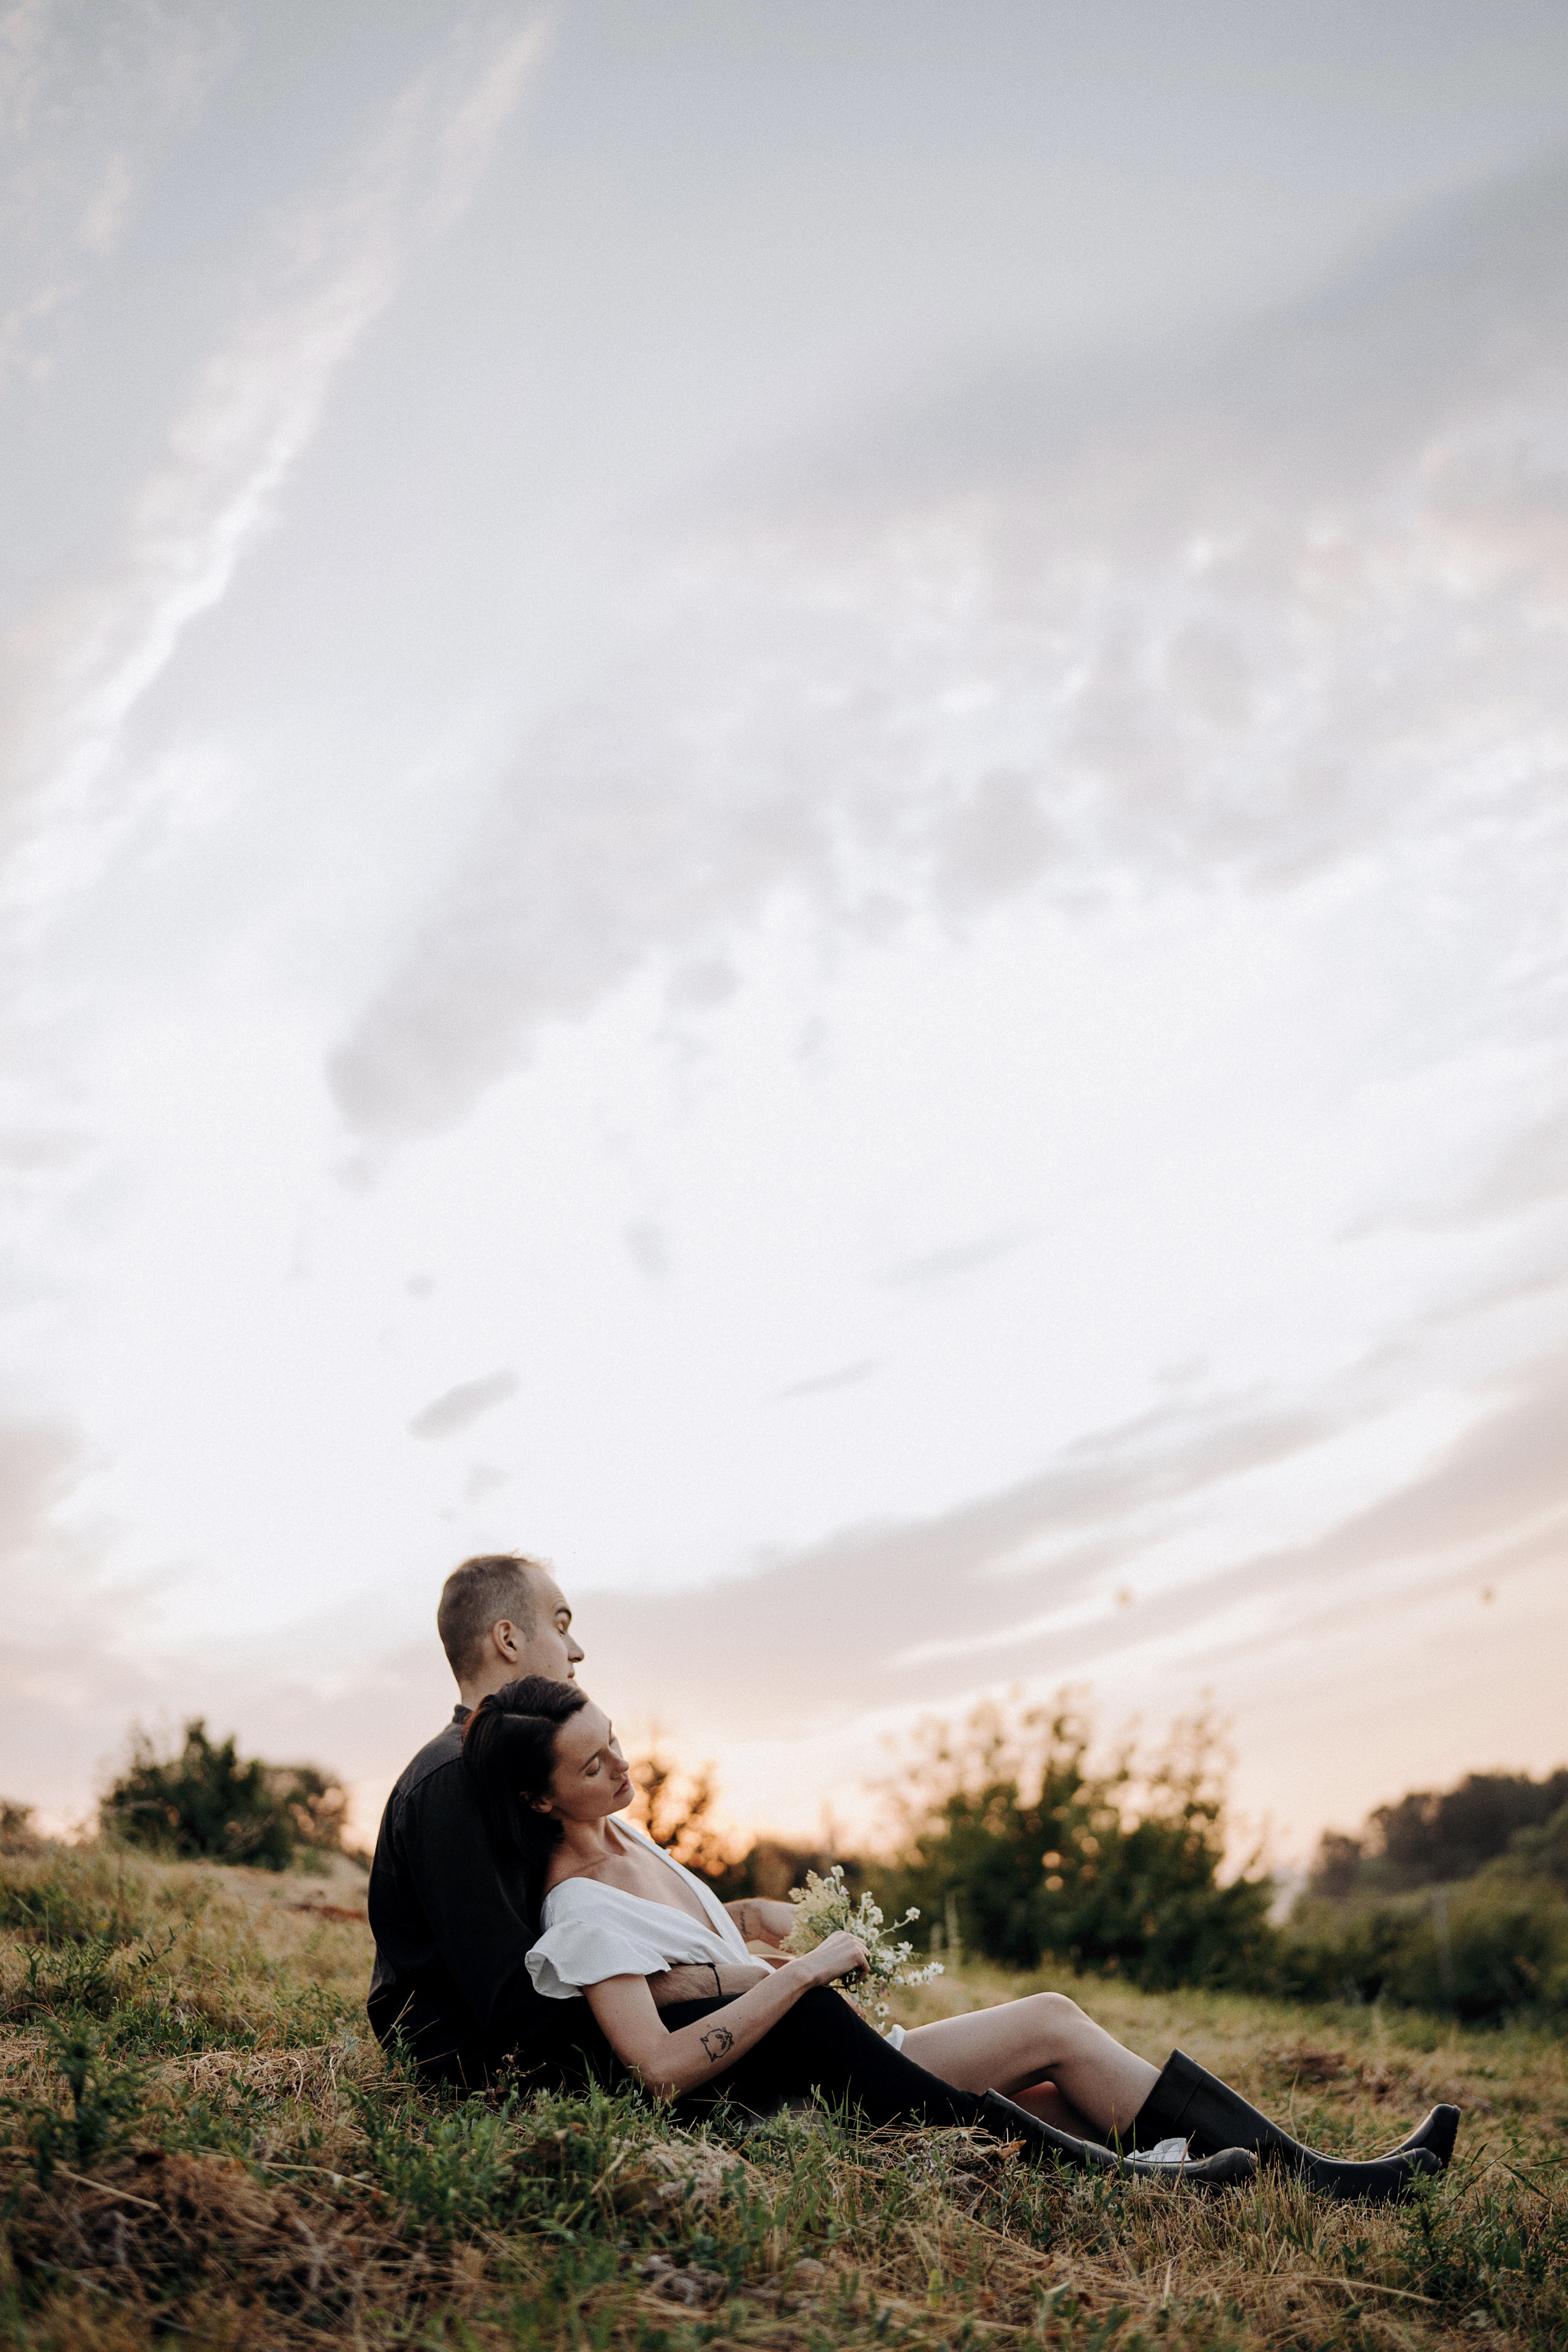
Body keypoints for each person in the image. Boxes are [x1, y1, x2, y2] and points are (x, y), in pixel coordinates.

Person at [462, 1675, 1458, 2203]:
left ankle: (1299, 2179)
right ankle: (1251, 2184)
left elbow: (688, 1953)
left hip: (840, 2057)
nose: (623, 1771)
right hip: (804, 2096)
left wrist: (752, 1924)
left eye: (617, 1743)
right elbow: (658, 2070)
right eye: (594, 1767)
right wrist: (803, 1973)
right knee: (1048, 2042)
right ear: (538, 1796)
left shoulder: (628, 1840)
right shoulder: (577, 1912)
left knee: (1054, 2061)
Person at [366, 1552, 797, 2090]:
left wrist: (748, 1922)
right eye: (561, 1624)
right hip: (490, 2065)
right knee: (800, 2017)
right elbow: (517, 2000)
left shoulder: (514, 1769)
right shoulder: (456, 1782)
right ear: (508, 1639)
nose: (577, 1651)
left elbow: (595, 1941)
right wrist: (724, 1984)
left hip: (559, 2040)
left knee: (796, 2009)